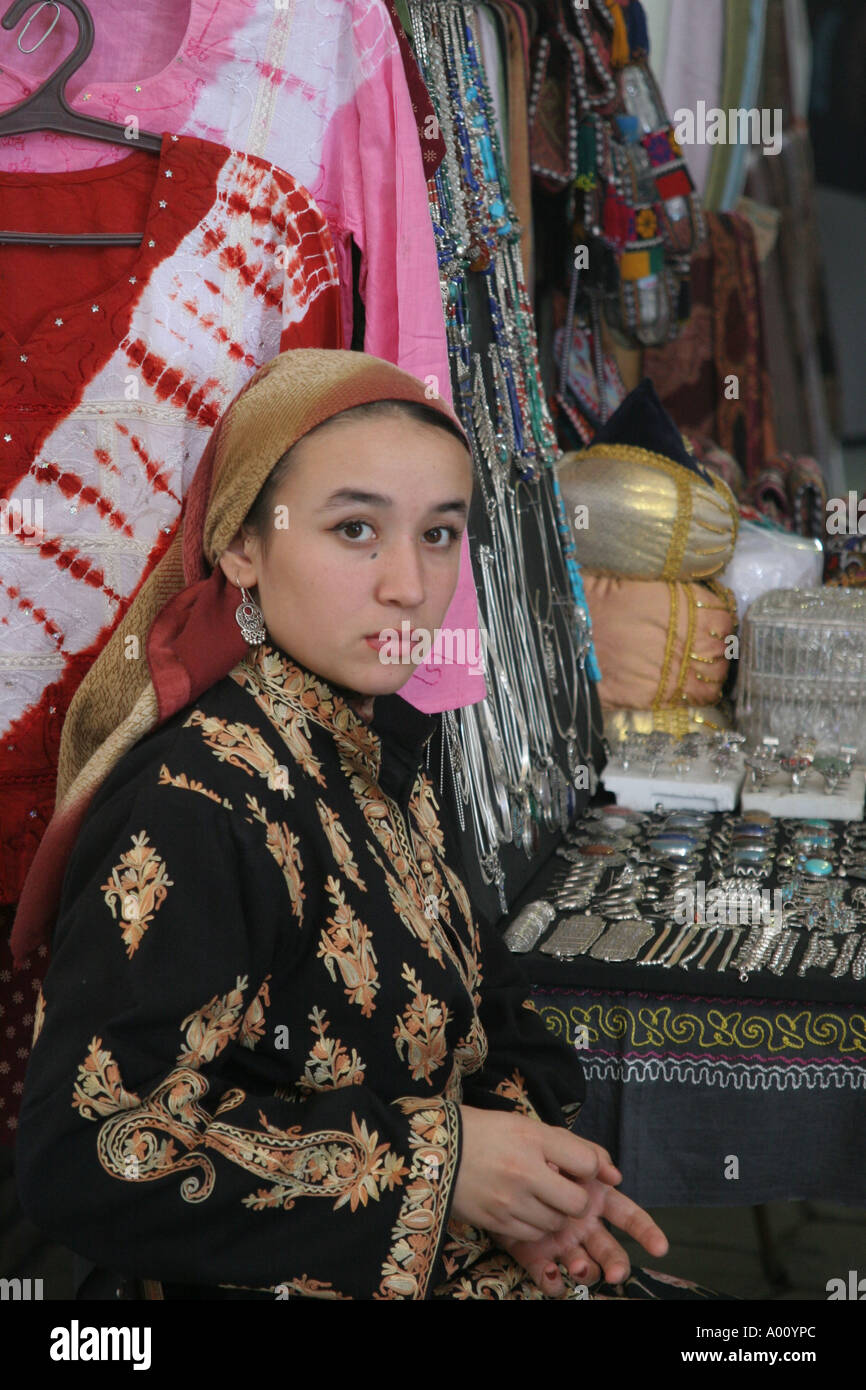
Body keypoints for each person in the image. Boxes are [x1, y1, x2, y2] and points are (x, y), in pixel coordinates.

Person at [14, 349, 720, 1301]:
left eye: (439, 535)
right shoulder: (193, 805)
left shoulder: (372, 748)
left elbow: (485, 1008)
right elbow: (92, 1158)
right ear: (241, 548)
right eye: (356, 529)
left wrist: (534, 1194)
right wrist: (446, 1168)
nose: (408, 585)